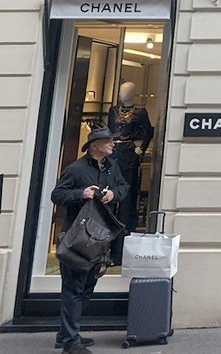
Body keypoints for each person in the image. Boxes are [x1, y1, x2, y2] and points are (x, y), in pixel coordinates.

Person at [50, 126, 130, 354]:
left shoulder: (112, 167)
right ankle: (70, 342)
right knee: (73, 288)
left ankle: (66, 333)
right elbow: (57, 195)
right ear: (95, 145)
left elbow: (124, 187)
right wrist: (81, 194)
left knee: (87, 287)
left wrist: (113, 194)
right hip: (78, 238)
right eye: (109, 141)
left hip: (101, 237)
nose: (113, 144)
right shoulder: (76, 169)